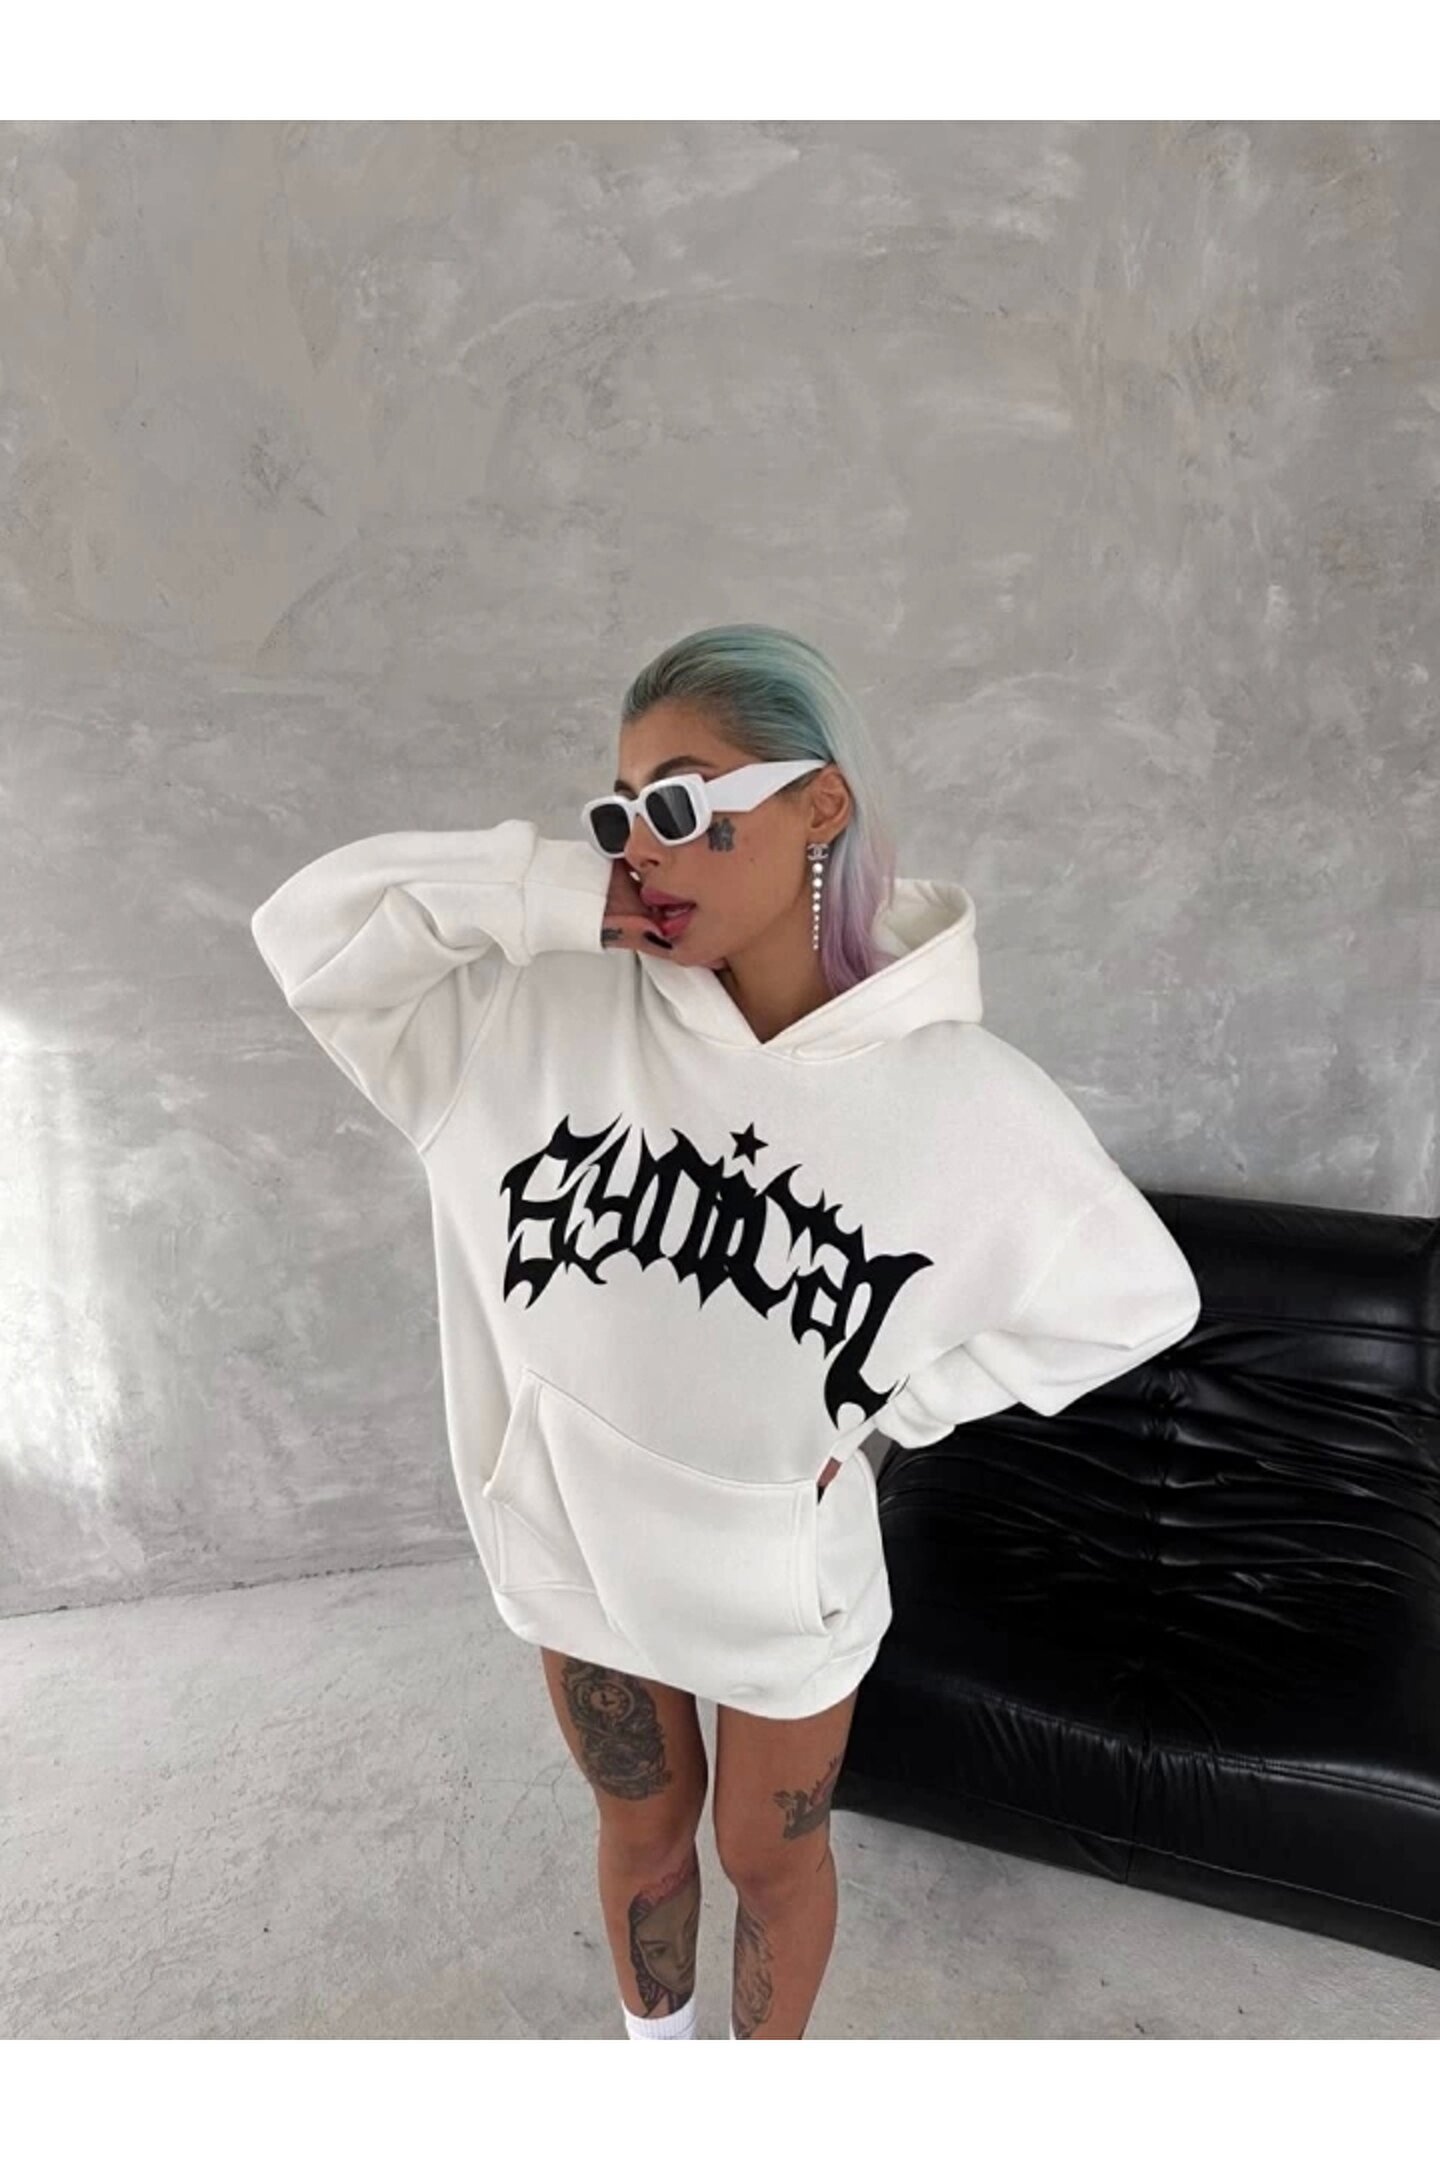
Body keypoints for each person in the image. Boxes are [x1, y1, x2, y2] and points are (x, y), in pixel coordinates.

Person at [250, 622, 1201, 2040]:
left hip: (780, 1575)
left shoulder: (961, 1097)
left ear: (822, 804)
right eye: (622, 814)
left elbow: (1138, 1296)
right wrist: (554, 890)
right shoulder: (521, 1022)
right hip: (574, 1538)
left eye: (686, 804)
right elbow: (313, 928)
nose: (645, 848)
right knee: (643, 1836)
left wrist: (891, 1407)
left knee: (770, 1857)